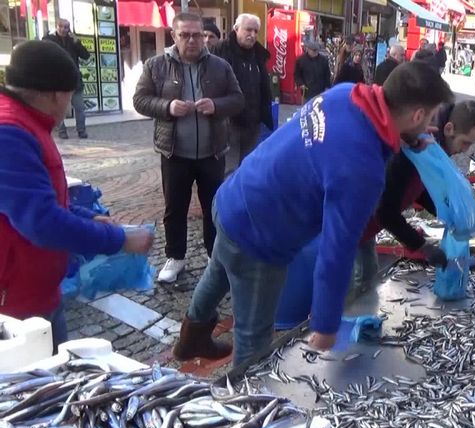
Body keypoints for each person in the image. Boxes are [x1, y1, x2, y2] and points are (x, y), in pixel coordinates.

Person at [171, 62, 453, 366]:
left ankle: (191, 338)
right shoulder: (363, 170)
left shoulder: (346, 94)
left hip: (233, 197)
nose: (428, 127)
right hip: (261, 235)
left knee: (220, 268)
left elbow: (348, 140)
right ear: (418, 115)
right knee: (254, 341)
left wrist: (406, 137)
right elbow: (338, 248)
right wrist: (326, 322)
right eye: (429, 118)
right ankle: (245, 405)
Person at [0, 41, 154, 348]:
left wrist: (87, 216)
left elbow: (40, 199)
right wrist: (120, 239)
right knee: (40, 388)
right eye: (70, 96)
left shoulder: (27, 123)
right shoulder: (10, 131)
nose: (70, 106)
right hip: (17, 305)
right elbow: (42, 221)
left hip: (38, 291)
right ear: (56, 93)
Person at [133, 13, 245, 283]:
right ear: (174, 36)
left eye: (197, 35)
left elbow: (238, 99)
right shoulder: (156, 65)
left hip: (212, 151)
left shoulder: (220, 66)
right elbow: (140, 100)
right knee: (175, 207)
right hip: (174, 152)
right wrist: (167, 107)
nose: (192, 40)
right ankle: (175, 257)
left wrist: (217, 106)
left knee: (213, 207)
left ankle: (214, 256)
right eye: (185, 35)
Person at [353, 100, 475, 292]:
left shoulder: (434, 149)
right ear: (449, 129)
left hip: (365, 227)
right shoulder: (416, 145)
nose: (465, 150)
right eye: (465, 142)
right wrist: (423, 247)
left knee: (367, 277)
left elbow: (419, 187)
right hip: (347, 222)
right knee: (346, 290)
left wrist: (446, 214)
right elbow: (384, 212)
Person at [210, 14, 273, 177]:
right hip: (229, 122)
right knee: (228, 170)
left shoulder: (258, 54)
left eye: (255, 31)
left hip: (253, 122)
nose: (252, 34)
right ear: (236, 29)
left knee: (248, 168)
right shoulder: (220, 50)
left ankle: (241, 200)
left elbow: (263, 87)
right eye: (248, 29)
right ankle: (226, 202)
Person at [43, 19, 90, 139]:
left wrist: (77, 41)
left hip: (74, 80)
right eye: (61, 26)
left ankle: (81, 131)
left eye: (66, 27)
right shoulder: (50, 40)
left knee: (80, 107)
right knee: (59, 108)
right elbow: (43, 49)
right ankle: (62, 131)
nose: (64, 29)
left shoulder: (72, 41)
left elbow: (86, 55)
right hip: (58, 80)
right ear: (57, 27)